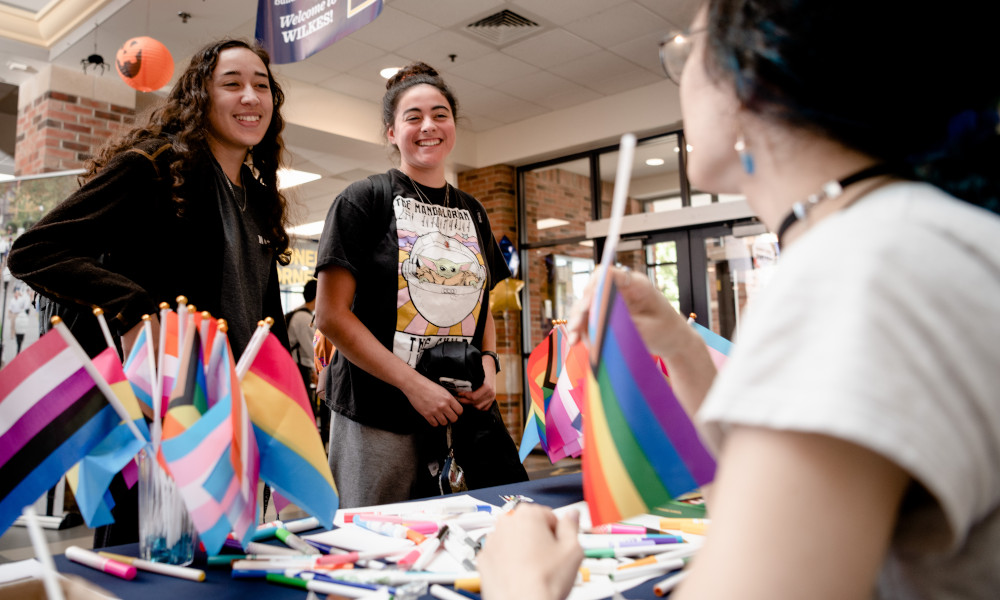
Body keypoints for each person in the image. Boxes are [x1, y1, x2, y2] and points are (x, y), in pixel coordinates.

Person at [478, 1, 1000, 598]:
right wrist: (677, 343)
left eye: (687, 51)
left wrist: (519, 584)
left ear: (752, 79)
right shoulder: (906, 236)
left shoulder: (856, 270)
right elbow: (758, 503)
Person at [8, 38, 293, 546]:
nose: (251, 96)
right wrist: (134, 307)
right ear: (199, 97)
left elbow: (261, 323)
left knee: (225, 568)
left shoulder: (259, 201)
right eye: (232, 84)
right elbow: (35, 250)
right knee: (147, 569)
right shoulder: (157, 166)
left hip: (233, 423)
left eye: (262, 85)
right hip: (161, 419)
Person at [314, 62, 526, 507]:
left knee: (460, 528)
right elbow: (332, 316)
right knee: (376, 540)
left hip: (457, 406)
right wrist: (413, 385)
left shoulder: (474, 211)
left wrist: (488, 363)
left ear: (453, 125)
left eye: (440, 114)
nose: (428, 126)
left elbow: (482, 302)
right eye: (413, 117)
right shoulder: (362, 200)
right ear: (392, 132)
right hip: (378, 412)